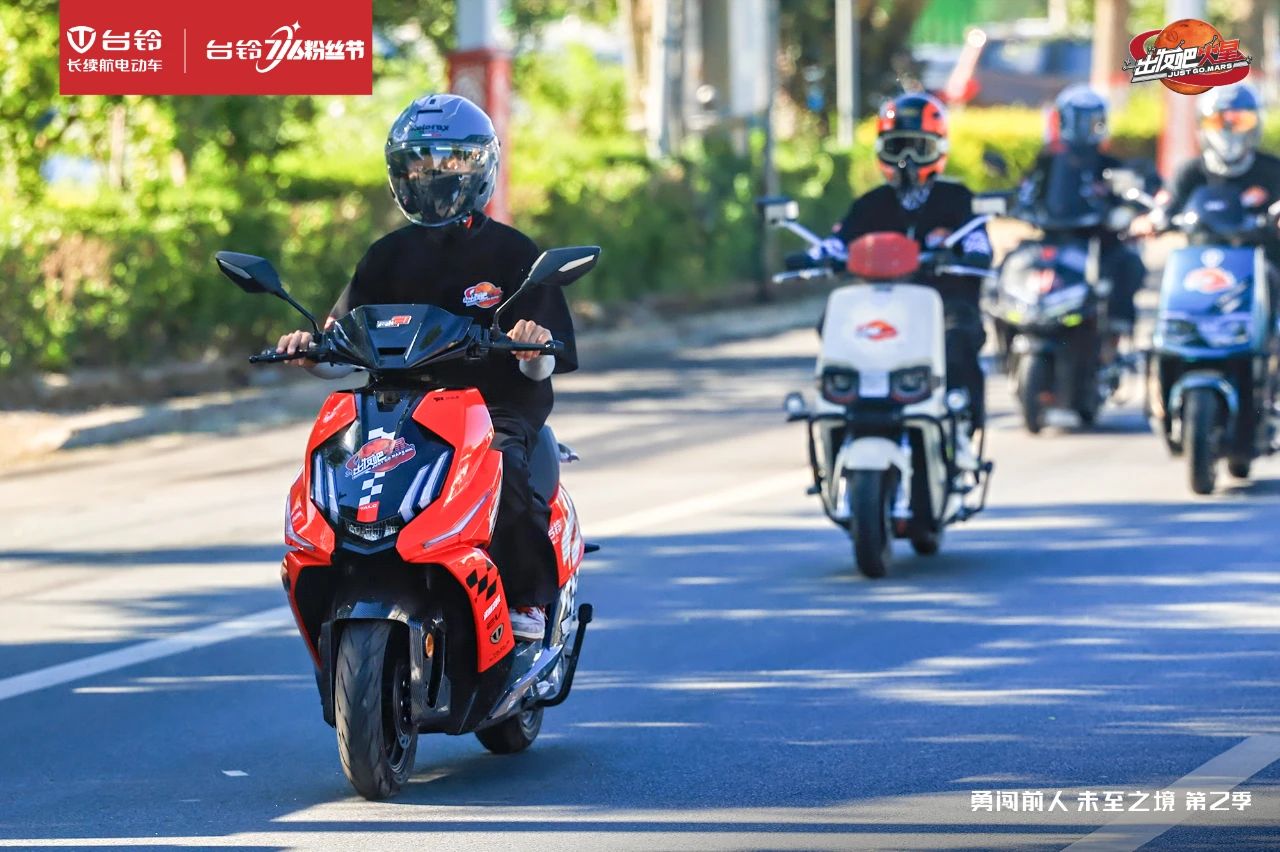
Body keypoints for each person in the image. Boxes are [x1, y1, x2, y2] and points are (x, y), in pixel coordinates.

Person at [275, 93, 577, 642]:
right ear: (398, 172)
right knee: (333, 475)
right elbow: (338, 342)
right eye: (418, 160)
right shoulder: (384, 256)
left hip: (492, 410)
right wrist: (307, 352)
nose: (432, 173)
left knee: (502, 470)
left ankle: (527, 597)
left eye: (450, 160)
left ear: (479, 166)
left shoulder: (515, 253)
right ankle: (340, 581)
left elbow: (543, 366)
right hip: (396, 411)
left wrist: (533, 348)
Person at [827, 92, 992, 460]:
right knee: (833, 327)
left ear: (939, 149)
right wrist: (822, 253)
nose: (907, 161)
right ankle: (841, 415)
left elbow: (979, 238)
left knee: (957, 338)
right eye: (897, 148)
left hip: (943, 305)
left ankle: (960, 421)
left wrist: (965, 251)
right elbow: (838, 239)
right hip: (881, 306)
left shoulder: (958, 199)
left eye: (918, 148)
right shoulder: (871, 203)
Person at [1019, 85, 1146, 339]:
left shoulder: (1108, 164)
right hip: (1053, 234)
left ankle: (1113, 334)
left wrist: (1125, 205)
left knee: (1127, 261)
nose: (1085, 128)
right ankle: (1013, 323)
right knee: (1012, 263)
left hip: (1095, 237)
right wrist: (1021, 203)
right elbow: (1029, 189)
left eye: (1092, 122)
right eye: (1078, 120)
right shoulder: (1048, 160)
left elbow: (1131, 191)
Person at [1132, 84, 1280, 266]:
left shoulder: (1273, 169)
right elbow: (1166, 205)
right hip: (1201, 265)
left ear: (1256, 122)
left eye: (1239, 121)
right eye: (1217, 121)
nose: (1227, 129)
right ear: (1202, 124)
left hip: (1263, 265)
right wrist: (1150, 220)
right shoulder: (1190, 172)